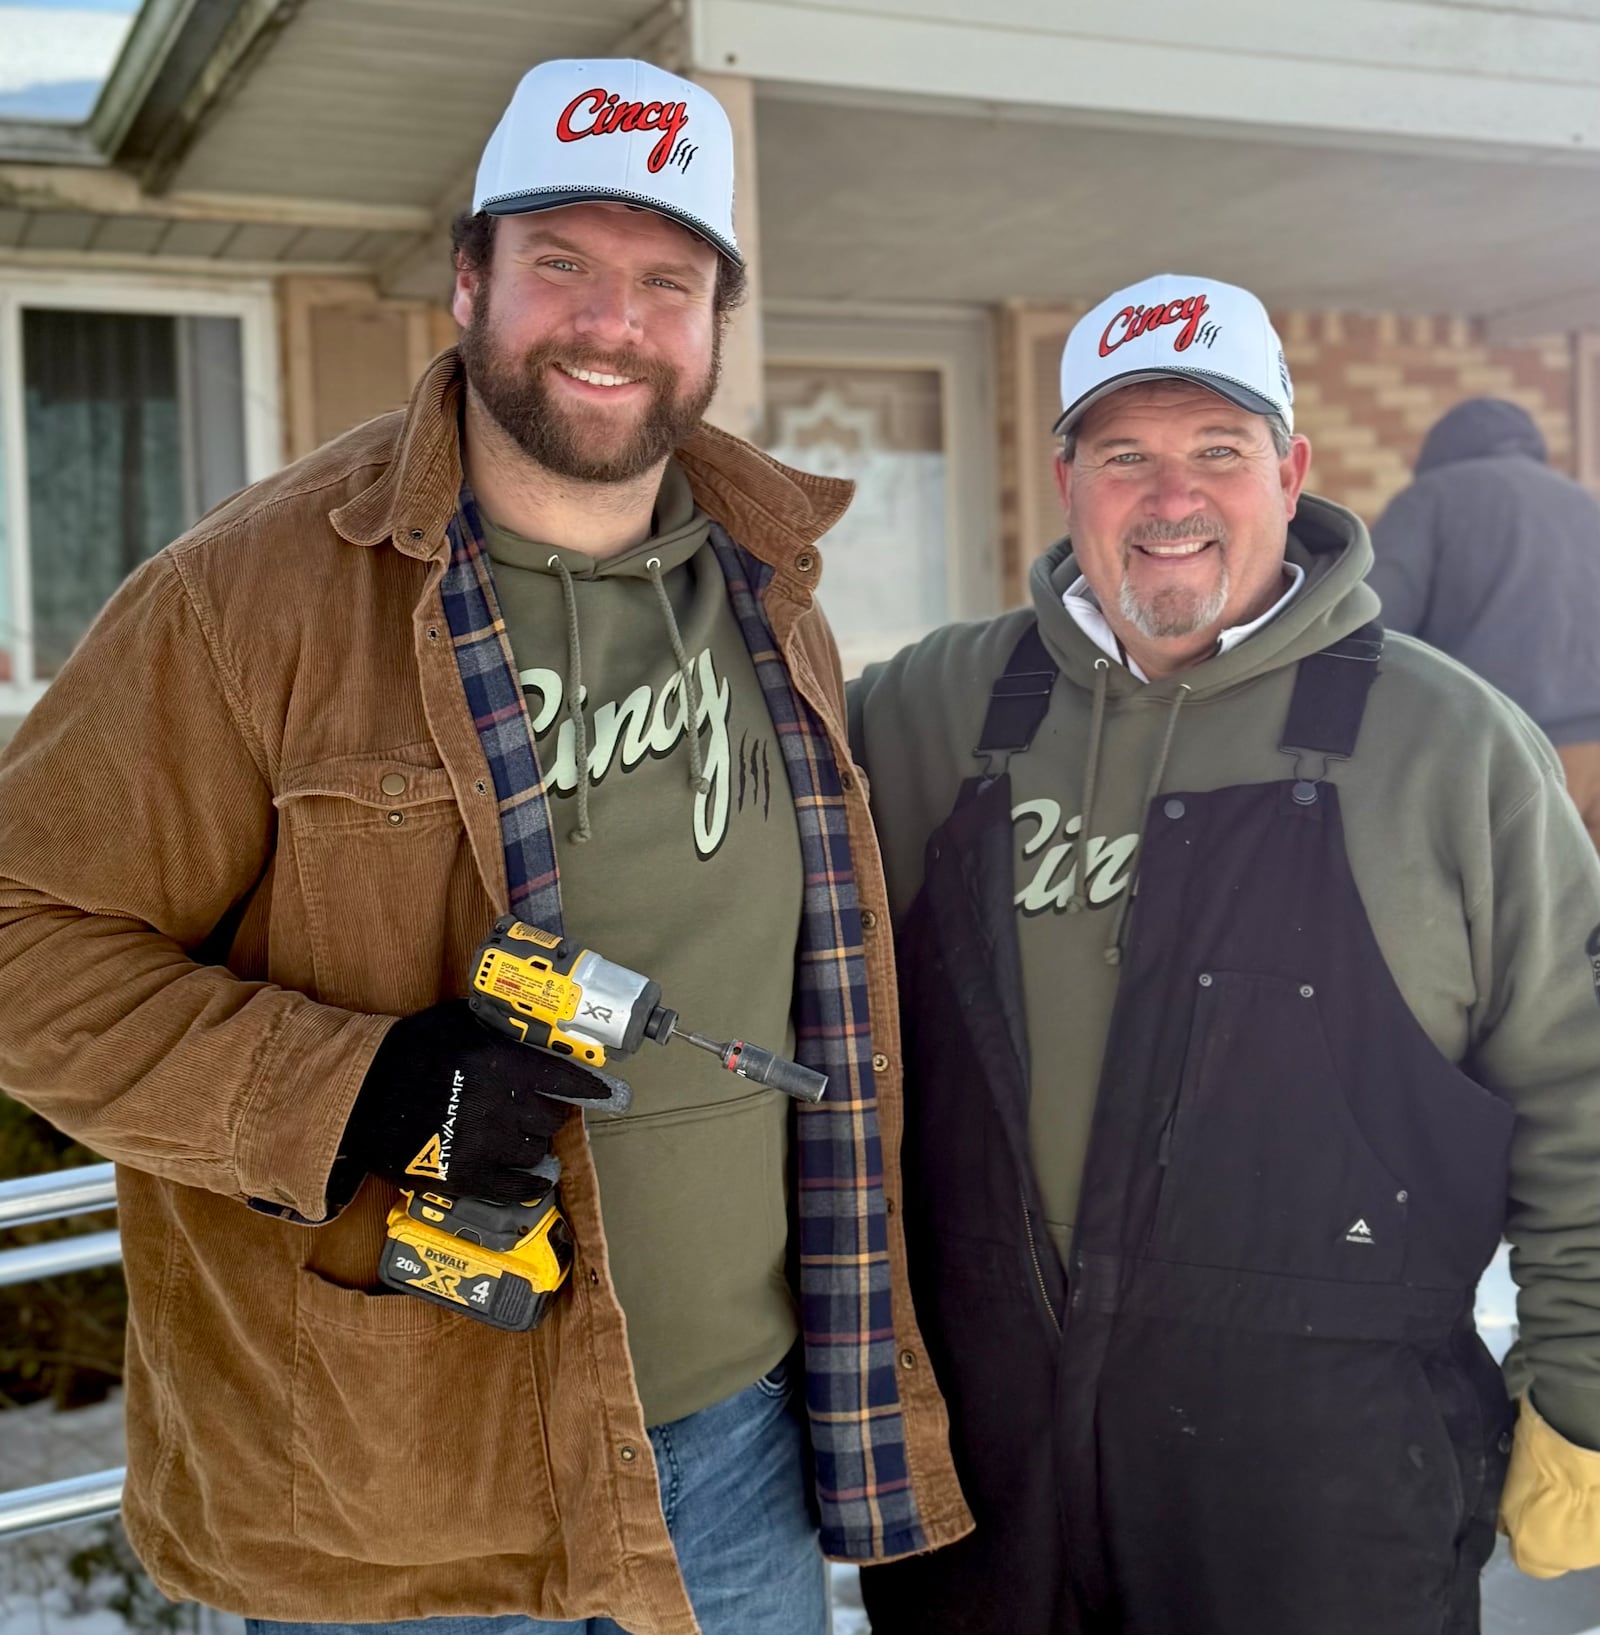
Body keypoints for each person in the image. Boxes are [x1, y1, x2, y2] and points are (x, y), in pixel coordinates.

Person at [0, 58, 969, 1635]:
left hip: (737, 1446)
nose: (612, 322)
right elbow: (22, 936)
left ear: (714, 325)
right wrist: (366, 1086)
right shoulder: (245, 599)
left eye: (666, 282)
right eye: (561, 264)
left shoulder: (767, 579)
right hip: (397, 1491)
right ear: (469, 282)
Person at [849, 273, 1600, 1635]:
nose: (1171, 497)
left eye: (1218, 450)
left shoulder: (1451, 746)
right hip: (983, 1478)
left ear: (1291, 472)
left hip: (1319, 1496)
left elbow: (1580, 1086)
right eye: (1124, 455)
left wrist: (1584, 1389)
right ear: (1066, 481)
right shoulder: (935, 709)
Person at [1368, 396, 1600, 848]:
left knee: (1508, 894)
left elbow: (1372, 625)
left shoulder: (1430, 499)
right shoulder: (1585, 503)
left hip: (1508, 758)